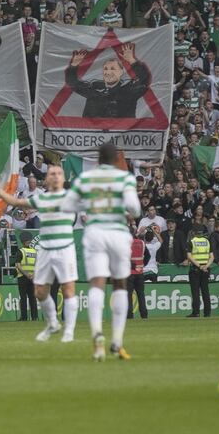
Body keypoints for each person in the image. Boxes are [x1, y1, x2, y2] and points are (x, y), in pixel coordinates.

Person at [60, 141, 141, 361]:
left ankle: (96, 333)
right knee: (120, 285)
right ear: (116, 159)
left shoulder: (86, 178)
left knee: (97, 283)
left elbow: (67, 206)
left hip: (95, 233)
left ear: (98, 159)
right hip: (117, 233)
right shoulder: (124, 178)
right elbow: (135, 208)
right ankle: (117, 341)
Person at [0, 164, 79, 342]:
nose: (55, 176)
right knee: (39, 292)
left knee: (68, 290)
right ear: (47, 179)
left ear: (63, 179)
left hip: (65, 249)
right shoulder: (42, 199)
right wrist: (0, 192)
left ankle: (69, 331)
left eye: (58, 174)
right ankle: (53, 323)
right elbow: (17, 203)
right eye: (52, 174)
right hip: (46, 250)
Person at [65, 41, 150, 118]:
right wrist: (74, 65)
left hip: (121, 134)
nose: (108, 72)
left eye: (112, 69)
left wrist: (132, 60)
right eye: (105, 69)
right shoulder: (94, 89)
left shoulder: (129, 90)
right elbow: (73, 83)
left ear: (121, 72)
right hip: (93, 134)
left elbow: (144, 80)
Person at [187, 226, 213, 318]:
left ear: (194, 232)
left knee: (195, 292)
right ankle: (207, 313)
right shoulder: (207, 241)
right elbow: (212, 257)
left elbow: (189, 256)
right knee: (205, 291)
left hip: (195, 269)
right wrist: (206, 266)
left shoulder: (192, 241)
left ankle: (196, 312)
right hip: (206, 269)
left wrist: (199, 266)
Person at [14, 233, 37, 322]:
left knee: (23, 298)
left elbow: (18, 265)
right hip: (33, 278)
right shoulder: (35, 252)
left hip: (22, 277)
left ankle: (24, 317)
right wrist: (33, 274)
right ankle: (34, 317)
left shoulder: (20, 251)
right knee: (32, 298)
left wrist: (26, 274)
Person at [128, 230, 150, 320]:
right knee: (141, 294)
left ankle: (129, 315)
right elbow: (148, 256)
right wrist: (142, 265)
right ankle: (144, 315)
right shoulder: (142, 243)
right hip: (140, 273)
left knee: (128, 295)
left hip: (129, 273)